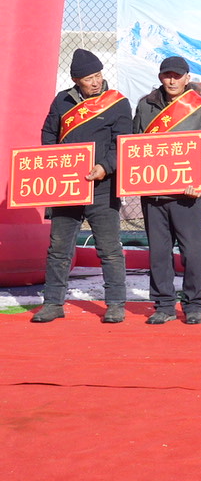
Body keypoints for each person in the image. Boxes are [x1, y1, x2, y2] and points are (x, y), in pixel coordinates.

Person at [32, 49, 132, 324]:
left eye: (98, 75)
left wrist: (105, 167)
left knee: (109, 248)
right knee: (59, 248)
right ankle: (53, 303)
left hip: (103, 187)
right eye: (89, 78)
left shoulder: (117, 103)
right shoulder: (62, 100)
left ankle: (115, 303)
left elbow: (122, 143)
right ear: (76, 80)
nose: (96, 82)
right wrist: (55, 165)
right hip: (67, 188)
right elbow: (48, 134)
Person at [133, 55, 201, 325]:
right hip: (153, 192)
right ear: (160, 77)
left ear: (187, 78)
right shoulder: (145, 105)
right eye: (167, 75)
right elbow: (134, 145)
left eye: (177, 76)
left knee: (192, 252)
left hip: (187, 193)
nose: (172, 80)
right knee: (159, 253)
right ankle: (164, 305)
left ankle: (194, 304)